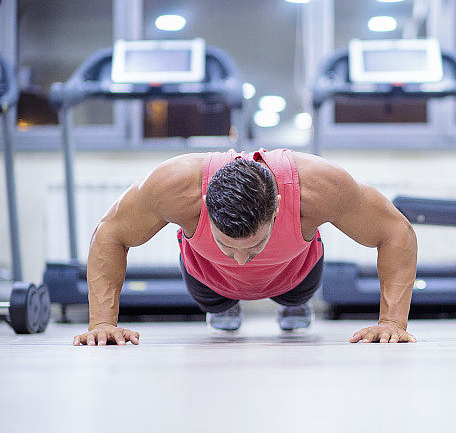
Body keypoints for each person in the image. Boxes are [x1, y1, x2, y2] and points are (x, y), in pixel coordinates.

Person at [72, 148, 418, 346]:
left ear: (278, 207)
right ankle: (223, 308)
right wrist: (102, 323)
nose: (239, 261)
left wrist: (392, 322)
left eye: (253, 248)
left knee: (295, 298)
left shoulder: (319, 187)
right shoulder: (175, 186)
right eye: (228, 245)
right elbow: (110, 233)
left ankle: (293, 305)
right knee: (216, 301)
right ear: (205, 203)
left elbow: (395, 231)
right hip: (209, 281)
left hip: (294, 278)